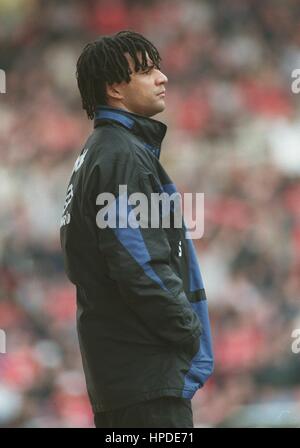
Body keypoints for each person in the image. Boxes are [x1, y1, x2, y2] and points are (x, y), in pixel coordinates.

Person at [60, 30, 214, 428]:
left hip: (123, 377)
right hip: (146, 378)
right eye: (147, 72)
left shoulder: (100, 153)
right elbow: (139, 263)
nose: (162, 78)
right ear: (115, 88)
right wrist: (187, 330)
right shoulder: (120, 155)